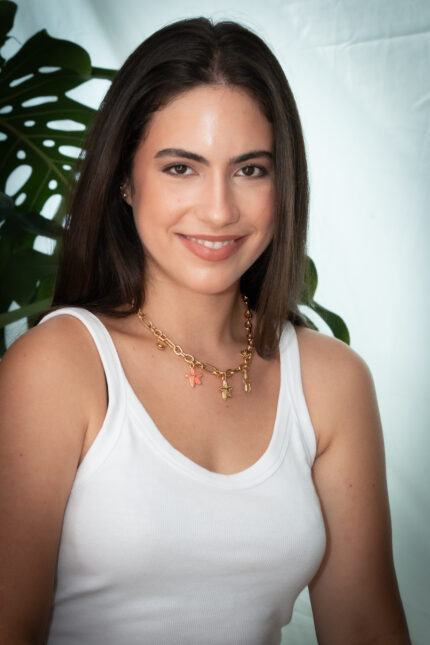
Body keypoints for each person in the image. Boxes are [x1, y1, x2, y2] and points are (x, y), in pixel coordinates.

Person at [0, 16, 411, 645]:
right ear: (124, 179)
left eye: (250, 170)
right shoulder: (58, 367)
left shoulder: (332, 382)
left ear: (283, 182)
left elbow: (365, 628)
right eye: (180, 168)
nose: (219, 210)